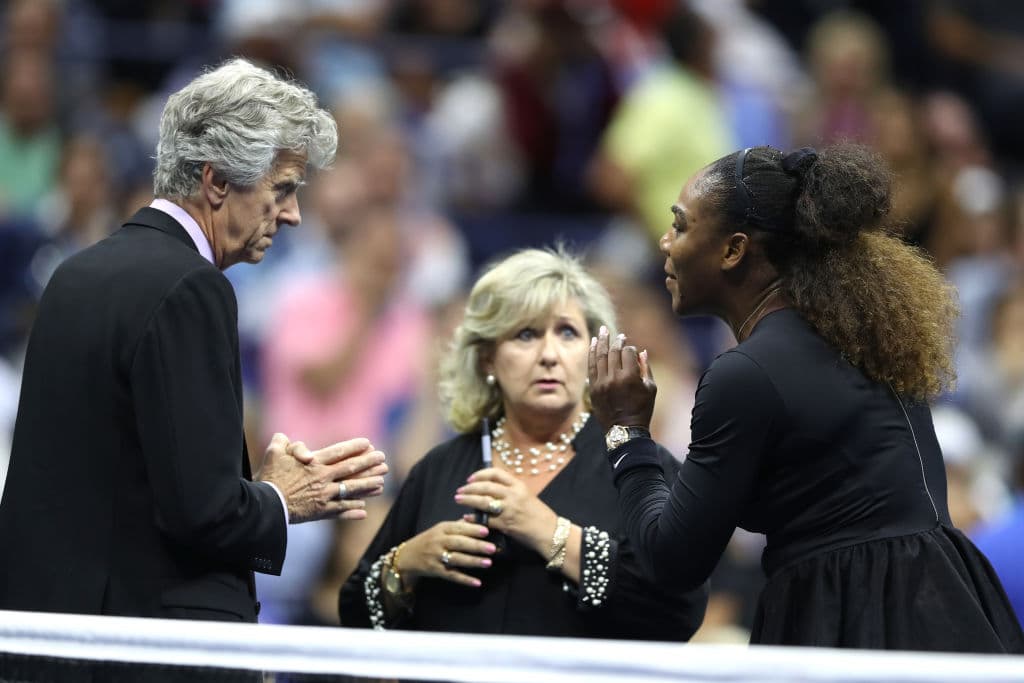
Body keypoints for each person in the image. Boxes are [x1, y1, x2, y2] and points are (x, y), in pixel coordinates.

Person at [588, 143, 1024, 652]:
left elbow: (671, 561)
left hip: (851, 624)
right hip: (946, 606)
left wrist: (627, 431)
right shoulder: (869, 335)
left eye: (681, 225)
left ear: (734, 249)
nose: (665, 242)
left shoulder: (744, 375)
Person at [0, 58, 388, 625]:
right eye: (281, 190)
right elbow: (204, 513)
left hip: (46, 637)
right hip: (139, 647)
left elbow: (124, 486)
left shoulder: (74, 273)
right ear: (217, 181)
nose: (294, 214)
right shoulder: (192, 287)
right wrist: (284, 497)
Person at [338, 248, 707, 639]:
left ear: (592, 354)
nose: (549, 354)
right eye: (526, 334)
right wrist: (406, 563)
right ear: (487, 360)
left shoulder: (636, 464)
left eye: (567, 332)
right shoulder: (440, 467)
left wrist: (548, 531)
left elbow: (679, 609)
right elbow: (356, 615)